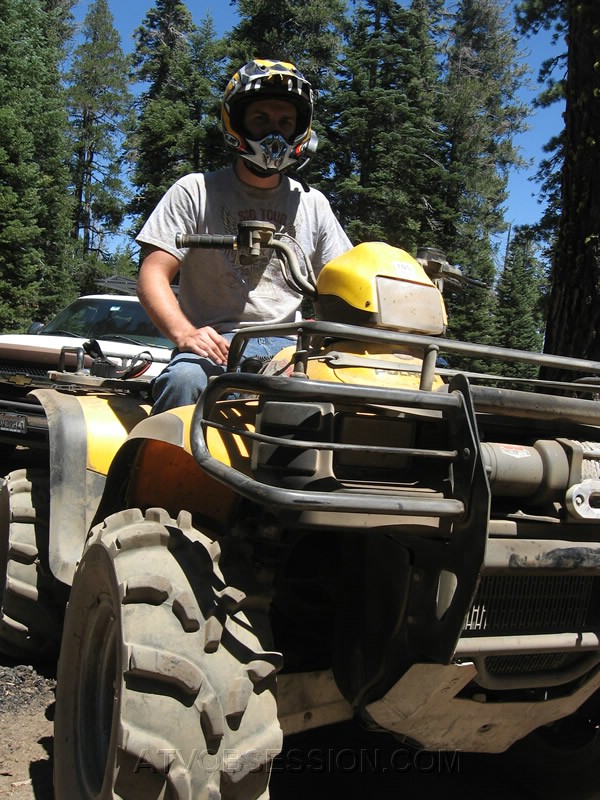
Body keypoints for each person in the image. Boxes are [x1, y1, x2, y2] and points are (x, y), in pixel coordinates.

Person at [136, 58, 352, 414]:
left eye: (285, 122)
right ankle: (169, 468)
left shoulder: (313, 204)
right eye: (261, 119)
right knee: (184, 381)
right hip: (216, 343)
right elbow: (152, 275)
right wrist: (185, 335)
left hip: (290, 349)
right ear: (236, 123)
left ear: (301, 129)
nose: (275, 133)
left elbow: (342, 283)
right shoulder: (196, 190)